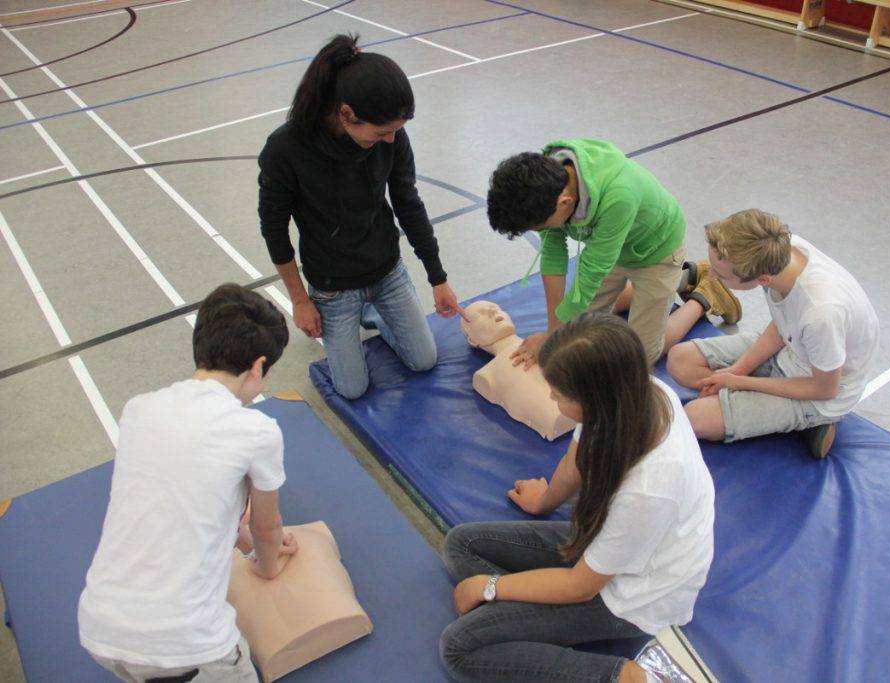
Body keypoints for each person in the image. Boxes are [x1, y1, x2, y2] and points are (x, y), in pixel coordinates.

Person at [440, 313, 715, 683]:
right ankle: (522, 621)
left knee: (459, 647)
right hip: (605, 547)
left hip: (634, 593)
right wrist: (544, 502)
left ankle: (624, 677)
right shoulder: (630, 393)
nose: (551, 396)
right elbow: (576, 459)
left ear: (592, 397)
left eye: (559, 393)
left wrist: (490, 588)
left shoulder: (648, 488)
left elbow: (580, 586)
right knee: (462, 543)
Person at [78, 284, 296, 682]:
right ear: (258, 366)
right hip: (187, 645)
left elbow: (180, 498)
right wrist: (265, 564)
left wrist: (241, 536)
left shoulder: (138, 409)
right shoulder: (257, 431)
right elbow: (268, 528)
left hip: (99, 629)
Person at [258, 33, 464, 399]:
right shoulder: (285, 149)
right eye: (381, 132)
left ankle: (376, 314)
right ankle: (358, 316)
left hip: (386, 270)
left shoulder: (391, 136)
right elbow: (275, 231)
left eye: (396, 132)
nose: (390, 140)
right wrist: (301, 301)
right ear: (346, 114)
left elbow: (408, 202)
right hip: (333, 286)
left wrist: (438, 277)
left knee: (424, 360)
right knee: (352, 389)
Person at [486, 138, 740, 369]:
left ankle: (704, 295)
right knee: (576, 332)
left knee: (637, 357)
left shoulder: (618, 196)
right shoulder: (546, 180)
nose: (543, 231)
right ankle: (681, 279)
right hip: (613, 249)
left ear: (564, 203)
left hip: (657, 253)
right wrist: (554, 329)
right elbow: (553, 252)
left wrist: (553, 336)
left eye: (540, 227)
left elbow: (591, 273)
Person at [666, 209, 880, 459]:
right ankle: (761, 410)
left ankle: (813, 421)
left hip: (820, 391)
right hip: (791, 347)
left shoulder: (821, 313)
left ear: (763, 279)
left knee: (696, 418)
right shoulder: (779, 251)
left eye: (720, 274)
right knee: (679, 360)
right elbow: (782, 322)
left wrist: (740, 382)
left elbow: (826, 389)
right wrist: (737, 369)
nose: (710, 275)